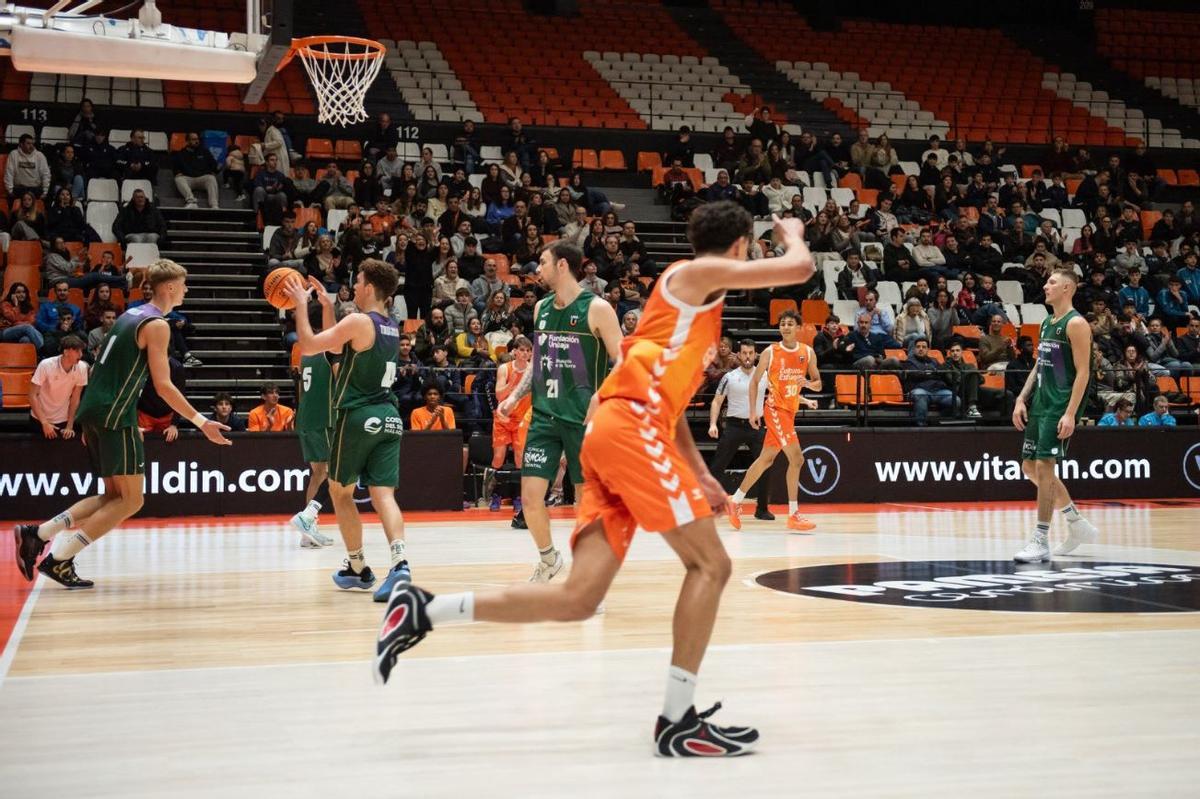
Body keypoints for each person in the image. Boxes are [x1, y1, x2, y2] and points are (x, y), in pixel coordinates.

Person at [375, 204, 817, 757]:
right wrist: (794, 235)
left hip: (619, 430)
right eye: (751, 247)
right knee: (712, 564)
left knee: (578, 599)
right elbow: (798, 270)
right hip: (631, 429)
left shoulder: (696, 309)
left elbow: (673, 401)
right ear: (740, 246)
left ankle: (425, 610)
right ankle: (677, 719)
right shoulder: (691, 275)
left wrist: (701, 474)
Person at [13, 260, 231, 589]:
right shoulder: (158, 325)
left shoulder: (131, 314)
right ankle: (60, 560)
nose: (186, 290)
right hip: (116, 413)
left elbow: (101, 365)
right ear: (170, 287)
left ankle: (37, 534)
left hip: (96, 410)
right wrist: (202, 422)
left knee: (113, 496)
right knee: (132, 500)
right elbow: (164, 386)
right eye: (184, 285)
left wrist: (90, 418)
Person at [491, 241, 623, 578]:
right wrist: (514, 396)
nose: (538, 270)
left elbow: (625, 362)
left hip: (584, 421)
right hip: (545, 417)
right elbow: (538, 362)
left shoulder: (597, 308)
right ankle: (549, 560)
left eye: (543, 263)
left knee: (585, 503)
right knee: (531, 497)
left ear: (562, 265)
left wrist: (601, 396)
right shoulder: (541, 309)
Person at [286, 259, 410, 601]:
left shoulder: (358, 320)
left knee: (340, 493)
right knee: (384, 495)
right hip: (389, 416)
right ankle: (400, 564)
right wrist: (327, 307)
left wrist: (300, 304)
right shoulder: (390, 326)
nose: (353, 288)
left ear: (369, 286)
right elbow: (337, 353)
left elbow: (310, 345)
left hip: (357, 417)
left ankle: (357, 566)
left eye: (357, 281)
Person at [1012, 269, 1100, 563]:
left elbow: (1084, 372)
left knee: (1044, 466)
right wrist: (1021, 398)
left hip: (1059, 405)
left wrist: (1071, 413)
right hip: (1039, 402)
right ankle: (1076, 523)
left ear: (1066, 288)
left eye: (1051, 282)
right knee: (1028, 467)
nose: (1045, 285)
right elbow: (1040, 365)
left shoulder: (1076, 324)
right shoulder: (1048, 322)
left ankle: (1040, 539)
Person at [726, 310, 821, 531]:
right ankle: (793, 513)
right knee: (797, 460)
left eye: (790, 324)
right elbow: (755, 381)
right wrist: (753, 411)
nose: (785, 327)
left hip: (789, 411)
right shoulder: (771, 352)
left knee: (766, 460)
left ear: (798, 327)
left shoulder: (807, 352)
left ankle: (735, 500)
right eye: (782, 324)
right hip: (775, 410)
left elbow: (818, 384)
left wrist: (806, 384)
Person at [707, 339, 772, 521]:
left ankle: (762, 509)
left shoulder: (764, 376)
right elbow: (717, 401)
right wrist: (713, 424)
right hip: (734, 425)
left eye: (751, 353)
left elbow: (777, 395)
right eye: (744, 353)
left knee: (765, 465)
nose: (748, 356)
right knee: (718, 465)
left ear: (756, 354)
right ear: (738, 354)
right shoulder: (729, 377)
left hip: (757, 426)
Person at [289, 317, 337, 549]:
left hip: (307, 417)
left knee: (318, 473)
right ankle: (308, 524)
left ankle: (309, 528)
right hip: (322, 417)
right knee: (326, 472)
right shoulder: (328, 351)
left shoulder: (307, 352)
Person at [485, 336, 533, 512]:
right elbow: (498, 395)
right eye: (522, 350)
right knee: (498, 458)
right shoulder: (505, 369)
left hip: (522, 419)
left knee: (521, 459)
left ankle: (519, 497)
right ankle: (495, 495)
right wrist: (511, 384)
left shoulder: (533, 370)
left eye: (528, 350)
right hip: (503, 418)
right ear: (514, 351)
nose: (525, 353)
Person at [29, 335, 89, 438]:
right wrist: (44, 423)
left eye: (81, 351)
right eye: (77, 351)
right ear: (66, 352)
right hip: (39, 418)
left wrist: (70, 425)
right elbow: (32, 395)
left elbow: (75, 398)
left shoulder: (82, 368)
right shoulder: (45, 365)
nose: (81, 355)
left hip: (63, 420)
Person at [172, 132, 221, 209]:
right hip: (189, 178)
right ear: (187, 141)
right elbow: (175, 167)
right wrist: (177, 172)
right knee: (178, 179)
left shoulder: (205, 152)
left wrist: (218, 168)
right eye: (194, 139)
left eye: (197, 139)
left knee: (211, 178)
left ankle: (214, 205)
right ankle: (191, 202)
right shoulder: (181, 153)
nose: (197, 141)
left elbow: (214, 166)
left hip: (202, 178)